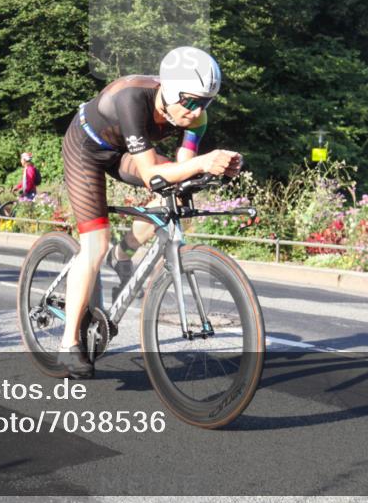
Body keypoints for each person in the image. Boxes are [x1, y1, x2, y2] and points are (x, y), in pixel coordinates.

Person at [58, 47, 242, 378]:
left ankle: (123, 251)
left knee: (172, 193)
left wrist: (213, 170)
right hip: (85, 148)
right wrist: (203, 162)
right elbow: (149, 174)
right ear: (169, 91)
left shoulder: (195, 117)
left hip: (122, 151)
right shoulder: (132, 98)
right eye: (189, 101)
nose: (196, 110)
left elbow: (181, 170)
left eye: (205, 102)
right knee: (94, 245)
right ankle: (68, 343)